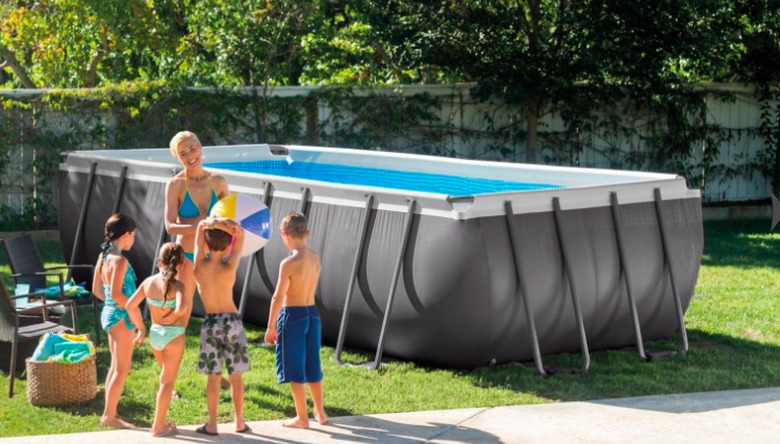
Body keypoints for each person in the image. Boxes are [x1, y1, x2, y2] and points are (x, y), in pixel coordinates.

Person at [164, 130, 231, 390]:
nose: (190, 156)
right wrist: (203, 223)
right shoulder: (176, 185)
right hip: (187, 258)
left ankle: (213, 372)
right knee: (182, 314)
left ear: (200, 147)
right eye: (183, 153)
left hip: (212, 257)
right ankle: (169, 379)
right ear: (177, 158)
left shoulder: (219, 182)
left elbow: (231, 219)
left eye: (192, 149)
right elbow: (170, 226)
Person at [264, 212, 327, 429]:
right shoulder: (314, 257)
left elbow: (278, 296)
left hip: (294, 316)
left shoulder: (288, 263)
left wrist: (271, 326)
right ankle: (320, 412)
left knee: (295, 367)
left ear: (285, 234)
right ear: (306, 233)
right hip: (312, 314)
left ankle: (302, 418)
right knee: (312, 364)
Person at [192, 215, 251, 436]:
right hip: (232, 322)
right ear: (229, 245)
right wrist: (231, 226)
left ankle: (213, 424)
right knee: (236, 377)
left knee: (214, 378)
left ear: (206, 243)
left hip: (211, 323)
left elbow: (200, 226)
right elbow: (242, 235)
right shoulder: (230, 266)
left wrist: (215, 222)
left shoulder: (199, 267)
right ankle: (239, 422)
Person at [125, 242, 190, 437]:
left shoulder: (148, 283)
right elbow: (182, 308)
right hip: (173, 337)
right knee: (166, 382)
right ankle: (158, 426)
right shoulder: (178, 285)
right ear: (181, 265)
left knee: (165, 378)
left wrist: (141, 328)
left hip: (155, 335)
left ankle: (161, 422)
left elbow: (130, 306)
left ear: (159, 262)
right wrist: (173, 316)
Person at [92, 213, 144, 429]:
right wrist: (139, 321)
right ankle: (109, 416)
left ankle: (109, 413)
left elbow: (97, 290)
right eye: (133, 236)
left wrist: (113, 307)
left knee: (116, 367)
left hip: (110, 315)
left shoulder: (104, 255)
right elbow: (118, 294)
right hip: (121, 318)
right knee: (122, 369)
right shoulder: (120, 261)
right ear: (126, 234)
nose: (133, 240)